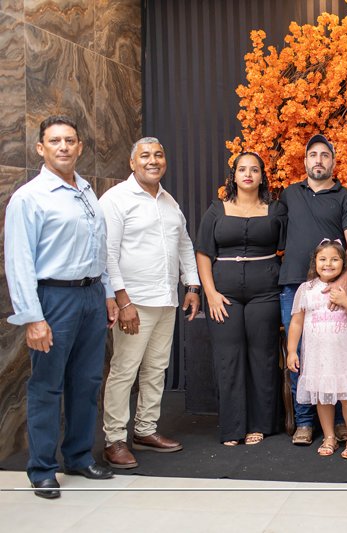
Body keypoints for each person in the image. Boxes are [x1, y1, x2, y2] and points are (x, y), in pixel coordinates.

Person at [4, 115, 118, 499]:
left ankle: (79, 456)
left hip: (90, 296)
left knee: (86, 382)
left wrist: (106, 293)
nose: (64, 147)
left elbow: (99, 248)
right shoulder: (29, 197)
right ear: (41, 148)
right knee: (47, 385)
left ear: (80, 147)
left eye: (70, 140)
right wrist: (32, 318)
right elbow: (19, 261)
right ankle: (42, 468)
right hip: (53, 298)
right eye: (55, 141)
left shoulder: (85, 190)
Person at [100, 137, 200, 468]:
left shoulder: (169, 202)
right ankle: (114, 439)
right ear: (132, 163)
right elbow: (107, 253)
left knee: (156, 368)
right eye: (145, 156)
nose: (153, 160)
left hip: (166, 300)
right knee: (124, 370)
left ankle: (145, 430)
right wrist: (122, 300)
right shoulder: (116, 199)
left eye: (158, 154)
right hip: (134, 301)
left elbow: (184, 244)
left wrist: (192, 285)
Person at [279, 134, 347, 445]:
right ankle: (304, 422)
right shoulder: (289, 195)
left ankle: (340, 422)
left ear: (333, 161)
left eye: (324, 155)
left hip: (333, 287)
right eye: (313, 155)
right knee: (301, 355)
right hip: (296, 285)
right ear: (304, 161)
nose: (319, 160)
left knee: (336, 352)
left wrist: (344, 281)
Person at [196, 152, 285, 446]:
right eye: (242, 169)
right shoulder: (216, 210)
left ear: (262, 176)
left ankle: (261, 423)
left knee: (263, 355)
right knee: (229, 356)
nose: (248, 174)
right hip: (224, 294)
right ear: (233, 176)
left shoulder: (276, 210)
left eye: (254, 170)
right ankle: (233, 427)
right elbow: (203, 253)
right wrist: (210, 294)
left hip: (266, 292)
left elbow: (292, 246)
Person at [286, 240, 347, 459]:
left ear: (344, 263)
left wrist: (346, 301)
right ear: (314, 262)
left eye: (335, 259)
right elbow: (296, 322)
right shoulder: (306, 289)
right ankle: (329, 436)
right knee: (322, 398)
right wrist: (292, 350)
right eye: (323, 259)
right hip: (318, 357)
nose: (328, 264)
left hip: (344, 356)